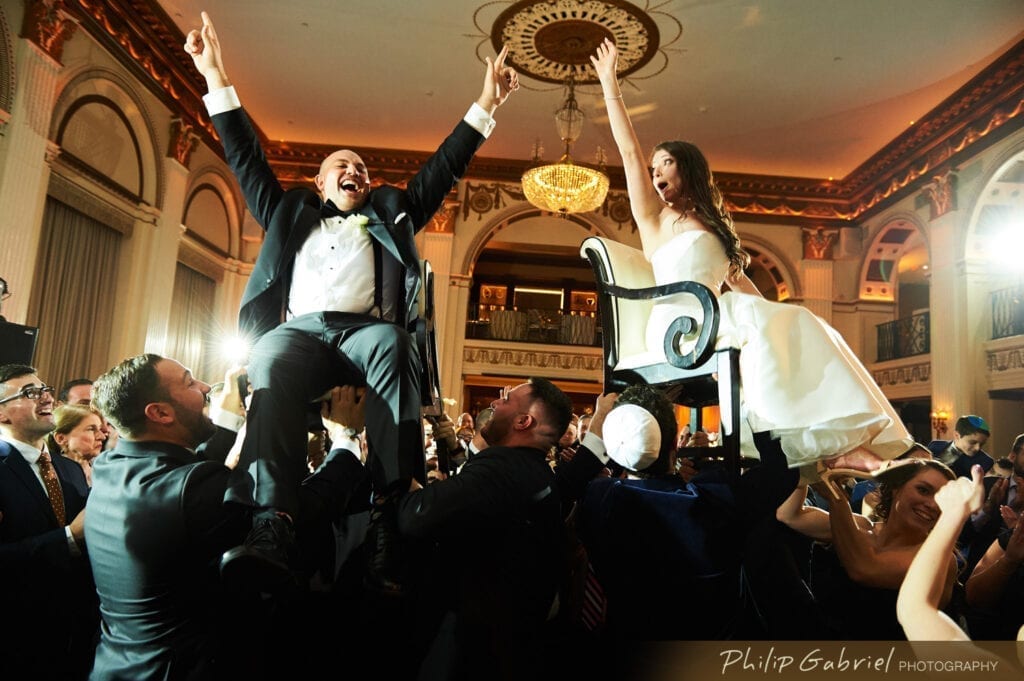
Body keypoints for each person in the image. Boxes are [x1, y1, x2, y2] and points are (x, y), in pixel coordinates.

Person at [184, 11, 519, 593]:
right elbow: (243, 157)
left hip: (366, 332)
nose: (354, 170)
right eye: (341, 165)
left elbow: (444, 166)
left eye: (361, 168)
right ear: (318, 183)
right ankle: (273, 522)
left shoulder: (391, 213)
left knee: (393, 342)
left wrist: (486, 103)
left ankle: (391, 512)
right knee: (265, 358)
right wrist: (214, 73)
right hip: (302, 333)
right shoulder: (288, 212)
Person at [590, 40, 913, 476]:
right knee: (771, 324)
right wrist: (610, 82)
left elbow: (741, 285)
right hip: (680, 324)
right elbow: (628, 151)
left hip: (718, 315)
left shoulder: (716, 229)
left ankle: (833, 444)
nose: (656, 174)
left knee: (802, 322)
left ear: (688, 168)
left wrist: (777, 313)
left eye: (665, 164)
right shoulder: (652, 219)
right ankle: (815, 446)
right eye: (653, 170)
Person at [86, 355, 368, 679]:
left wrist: (224, 420)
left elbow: (185, 471)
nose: (207, 387)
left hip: (117, 665)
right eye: (190, 382)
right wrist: (346, 438)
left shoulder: (111, 465)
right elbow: (300, 512)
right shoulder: (193, 492)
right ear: (160, 412)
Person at [396, 377, 573, 679]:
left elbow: (415, 516)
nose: (494, 403)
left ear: (523, 420)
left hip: (470, 645)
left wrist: (409, 489)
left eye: (505, 399)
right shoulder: (534, 470)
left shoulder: (502, 469)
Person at [775, 459, 957, 639]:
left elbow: (864, 569)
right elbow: (789, 515)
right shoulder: (860, 526)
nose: (933, 504)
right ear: (896, 487)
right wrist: (805, 465)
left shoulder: (940, 556)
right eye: (923, 490)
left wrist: (835, 497)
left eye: (943, 498)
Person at [0, 364, 97, 680]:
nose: (46, 398)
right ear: (2, 414)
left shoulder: (68, 469)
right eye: (29, 393)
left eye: (45, 389)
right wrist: (68, 538)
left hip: (75, 631)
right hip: (17, 635)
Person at [50, 403, 106, 486]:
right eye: (91, 429)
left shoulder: (106, 469)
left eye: (100, 429)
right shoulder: (51, 477)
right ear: (61, 438)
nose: (102, 436)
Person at [929, 414, 993, 478]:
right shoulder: (934, 445)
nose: (978, 448)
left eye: (982, 444)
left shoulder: (985, 462)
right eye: (972, 442)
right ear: (957, 435)